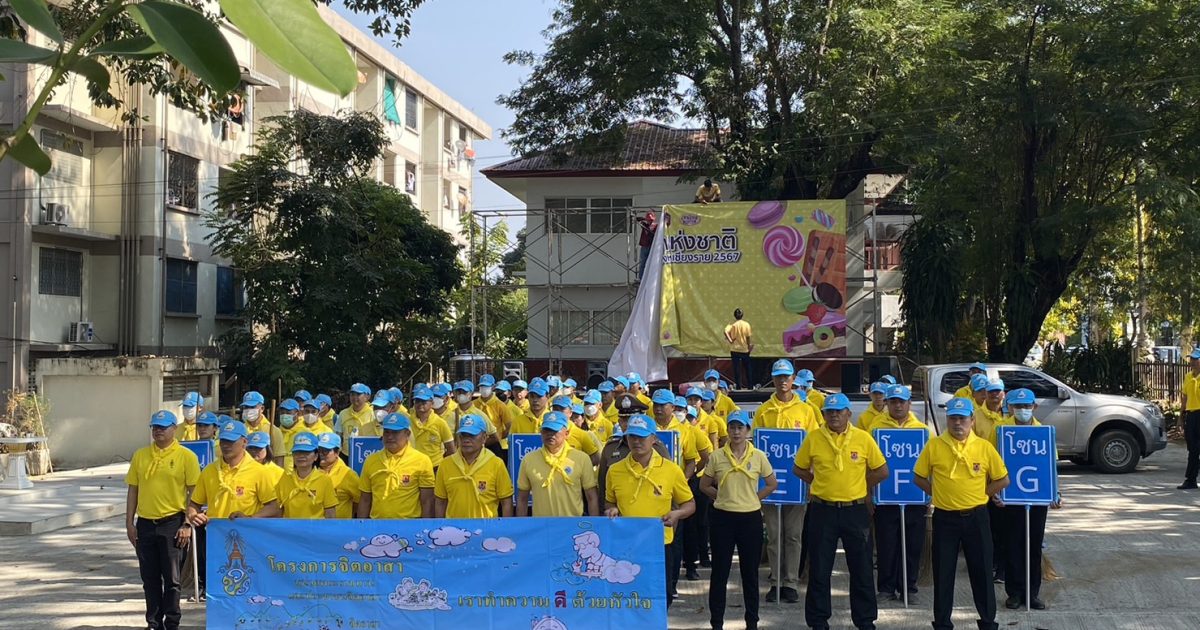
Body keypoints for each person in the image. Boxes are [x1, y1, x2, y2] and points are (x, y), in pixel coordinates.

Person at [913, 397, 1010, 630]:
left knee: (982, 572)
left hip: (977, 517)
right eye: (953, 418)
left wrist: (983, 495)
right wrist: (937, 493)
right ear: (947, 420)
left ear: (972, 420)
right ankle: (942, 623)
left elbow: (1003, 479)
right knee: (943, 573)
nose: (958, 423)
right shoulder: (935, 445)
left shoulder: (984, 447)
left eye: (962, 418)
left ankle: (988, 622)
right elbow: (918, 477)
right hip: (945, 519)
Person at [793, 393, 888, 630]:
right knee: (819, 568)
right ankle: (818, 621)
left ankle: (865, 620)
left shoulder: (863, 438)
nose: (834, 415)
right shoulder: (814, 438)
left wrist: (861, 484)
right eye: (829, 412)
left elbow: (881, 470)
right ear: (824, 414)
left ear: (848, 413)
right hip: (822, 510)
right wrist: (817, 482)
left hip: (854, 510)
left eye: (838, 411)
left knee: (862, 568)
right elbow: (798, 468)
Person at [604, 415, 696, 608]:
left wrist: (677, 514)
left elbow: (689, 504)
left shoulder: (671, 470)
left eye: (642, 436)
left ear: (653, 438)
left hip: (659, 545)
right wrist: (611, 510)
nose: (637, 441)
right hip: (626, 545)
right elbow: (609, 502)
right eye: (632, 436)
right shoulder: (614, 470)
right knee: (628, 597)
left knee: (662, 596)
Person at [752, 359, 820, 603]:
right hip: (770, 484)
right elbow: (756, 449)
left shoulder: (807, 410)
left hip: (797, 483)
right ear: (773, 379)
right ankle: (776, 581)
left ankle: (791, 582)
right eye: (778, 376)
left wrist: (812, 480)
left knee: (793, 535)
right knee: (773, 535)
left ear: (793, 379)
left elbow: (815, 446)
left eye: (786, 376)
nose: (783, 380)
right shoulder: (763, 410)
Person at [702, 410, 776, 630]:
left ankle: (752, 622)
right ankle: (717, 622)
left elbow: (772, 483)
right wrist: (721, 496)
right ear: (727, 430)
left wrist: (754, 498)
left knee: (750, 573)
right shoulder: (717, 456)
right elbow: (704, 485)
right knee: (720, 572)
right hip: (723, 519)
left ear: (747, 431)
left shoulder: (758, 456)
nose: (736, 432)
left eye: (740, 427)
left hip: (750, 519)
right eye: (732, 427)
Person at [126, 411, 200, 630]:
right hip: (146, 523)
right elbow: (133, 489)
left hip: (173, 523)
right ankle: (153, 622)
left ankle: (172, 622)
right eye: (155, 427)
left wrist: (187, 523)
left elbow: (194, 494)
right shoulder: (141, 455)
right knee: (149, 578)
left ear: (174, 429)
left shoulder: (186, 456)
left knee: (172, 579)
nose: (158, 431)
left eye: (163, 427)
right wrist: (129, 522)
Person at [992, 388, 1062, 610]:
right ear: (1010, 407)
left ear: (1035, 407)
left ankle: (1032, 593)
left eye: (1027, 406)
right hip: (1010, 497)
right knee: (1012, 545)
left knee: (1034, 546)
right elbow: (992, 462)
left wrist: (1055, 492)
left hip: (1038, 498)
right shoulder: (1000, 430)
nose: (1022, 410)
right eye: (1018, 406)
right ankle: (1014, 593)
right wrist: (994, 492)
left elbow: (1051, 465)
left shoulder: (1044, 432)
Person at [871, 385, 933, 602]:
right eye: (893, 401)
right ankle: (886, 587)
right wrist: (870, 493)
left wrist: (930, 494)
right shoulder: (875, 428)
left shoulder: (922, 430)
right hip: (885, 496)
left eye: (901, 401)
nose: (897, 405)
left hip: (914, 496)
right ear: (887, 403)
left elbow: (931, 464)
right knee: (886, 544)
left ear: (909, 404)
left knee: (913, 545)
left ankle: (909, 587)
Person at [186, 419, 279, 523]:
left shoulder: (259, 472)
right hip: (215, 531)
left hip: (245, 531)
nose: (225, 445)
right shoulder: (209, 471)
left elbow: (274, 508)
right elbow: (194, 504)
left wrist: (250, 518)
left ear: (244, 442)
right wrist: (193, 515)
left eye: (231, 441)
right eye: (223, 441)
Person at [516, 411, 599, 517]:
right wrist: (522, 525)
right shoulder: (528, 460)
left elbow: (591, 497)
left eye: (555, 430)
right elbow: (522, 499)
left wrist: (595, 524)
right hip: (541, 525)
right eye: (546, 430)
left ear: (566, 433)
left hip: (572, 524)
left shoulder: (581, 459)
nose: (550, 434)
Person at [434, 414, 514, 518]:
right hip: (454, 527)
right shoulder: (446, 464)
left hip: (487, 527)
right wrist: (441, 526)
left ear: (484, 438)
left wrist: (505, 526)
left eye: (472, 435)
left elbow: (506, 501)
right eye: (463, 435)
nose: (466, 440)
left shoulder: (496, 464)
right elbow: (440, 502)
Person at [357, 413, 435, 519]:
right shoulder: (371, 460)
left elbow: (427, 501)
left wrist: (425, 527)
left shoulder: (422, 461)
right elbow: (365, 500)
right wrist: (362, 526)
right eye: (386, 432)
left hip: (409, 525)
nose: (390, 437)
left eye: (395, 432)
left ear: (407, 434)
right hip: (377, 525)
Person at [598, 394, 671, 500]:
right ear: (619, 422)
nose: (628, 424)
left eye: (632, 420)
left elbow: (670, 480)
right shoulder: (611, 448)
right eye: (624, 420)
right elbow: (603, 486)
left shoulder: (656, 446)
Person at [270, 432, 337, 519]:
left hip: (315, 527)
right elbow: (278, 511)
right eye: (297, 452)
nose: (301, 456)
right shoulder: (284, 479)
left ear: (316, 456)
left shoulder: (324, 481)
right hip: (290, 527)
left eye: (306, 453)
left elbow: (330, 514)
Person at [408, 384, 456, 471]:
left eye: (424, 401)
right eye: (417, 401)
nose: (420, 404)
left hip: (434, 467)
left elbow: (451, 449)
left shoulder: (440, 423)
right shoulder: (407, 421)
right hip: (412, 466)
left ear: (432, 403)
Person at [316, 432, 360, 518]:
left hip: (340, 524)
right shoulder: (310, 471)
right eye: (319, 450)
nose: (321, 454)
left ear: (337, 453)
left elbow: (360, 501)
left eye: (325, 451)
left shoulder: (348, 474)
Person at [239, 391, 284, 466]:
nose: (249, 410)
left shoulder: (273, 430)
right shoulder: (240, 430)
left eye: (252, 407)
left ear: (262, 408)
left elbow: (279, 458)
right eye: (246, 407)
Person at [1180, 349, 1200, 490]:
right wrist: (1180, 417)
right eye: (1191, 359)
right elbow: (1185, 397)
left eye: (1195, 359)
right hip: (1191, 416)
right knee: (1192, 449)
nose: (1192, 362)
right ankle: (1190, 480)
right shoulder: (1188, 376)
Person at [724, 309, 755, 389]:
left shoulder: (732, 324)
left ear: (734, 315)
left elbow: (725, 331)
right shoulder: (746, 324)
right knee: (747, 368)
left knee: (736, 369)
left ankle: (738, 386)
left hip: (734, 349)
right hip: (744, 349)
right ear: (742, 315)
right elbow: (748, 337)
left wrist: (730, 340)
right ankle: (750, 386)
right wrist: (748, 345)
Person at [276, 398, 303, 471]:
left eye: (288, 413)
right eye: (282, 413)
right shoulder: (276, 432)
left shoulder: (304, 433)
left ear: (297, 414)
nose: (284, 415)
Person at [637, 210, 657, 280]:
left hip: (652, 247)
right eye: (648, 220)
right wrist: (645, 219)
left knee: (652, 263)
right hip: (644, 246)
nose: (649, 221)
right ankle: (641, 278)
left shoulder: (656, 226)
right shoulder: (645, 225)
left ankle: (650, 278)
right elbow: (637, 219)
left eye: (650, 220)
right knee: (643, 263)